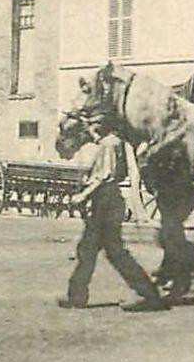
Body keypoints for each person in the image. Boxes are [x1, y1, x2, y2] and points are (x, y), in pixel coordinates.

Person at [59, 124, 167, 313]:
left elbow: (104, 176)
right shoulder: (114, 142)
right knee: (89, 249)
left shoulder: (108, 144)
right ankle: (76, 296)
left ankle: (148, 294)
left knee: (110, 251)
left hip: (105, 202)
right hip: (108, 201)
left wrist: (82, 196)